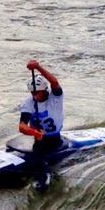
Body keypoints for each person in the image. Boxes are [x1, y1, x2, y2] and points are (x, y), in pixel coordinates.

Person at [18, 60, 64, 190]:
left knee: (46, 160)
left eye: (37, 92)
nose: (34, 95)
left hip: (55, 138)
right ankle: (39, 175)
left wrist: (38, 67)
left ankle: (47, 177)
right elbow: (22, 126)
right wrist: (35, 133)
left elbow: (54, 82)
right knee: (37, 158)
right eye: (32, 93)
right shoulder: (28, 103)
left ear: (44, 90)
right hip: (39, 140)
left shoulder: (55, 98)